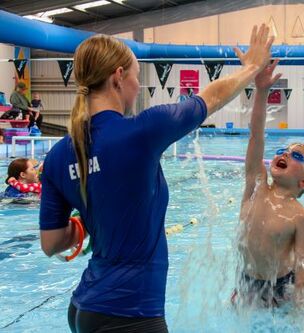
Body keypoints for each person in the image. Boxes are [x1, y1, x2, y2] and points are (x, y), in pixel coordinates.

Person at [39, 24, 274, 333]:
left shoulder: (58, 155)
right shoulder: (141, 131)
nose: (137, 87)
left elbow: (51, 243)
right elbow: (211, 98)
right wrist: (253, 67)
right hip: (131, 313)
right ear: (118, 76)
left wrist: (87, 221)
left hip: (84, 309)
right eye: (136, 77)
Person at [232, 60, 304, 308]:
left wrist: (300, 311)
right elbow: (256, 136)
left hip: (280, 289)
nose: (284, 154)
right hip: (246, 283)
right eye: (283, 150)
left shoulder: (299, 216)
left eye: (296, 156)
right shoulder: (256, 185)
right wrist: (261, 91)